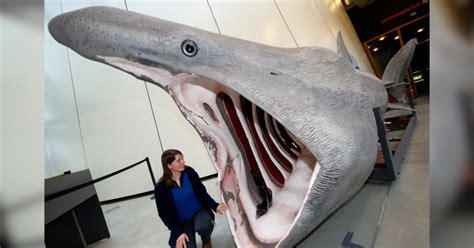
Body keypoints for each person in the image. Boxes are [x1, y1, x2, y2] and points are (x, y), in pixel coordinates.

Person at [154, 149, 227, 248]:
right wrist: (178, 232)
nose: (183, 162)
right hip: (182, 221)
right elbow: (164, 214)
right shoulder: (161, 188)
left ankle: (206, 241)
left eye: (182, 159)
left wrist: (215, 205)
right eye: (178, 160)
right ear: (169, 165)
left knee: (205, 225)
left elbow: (203, 193)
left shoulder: (190, 174)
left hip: (198, 212)